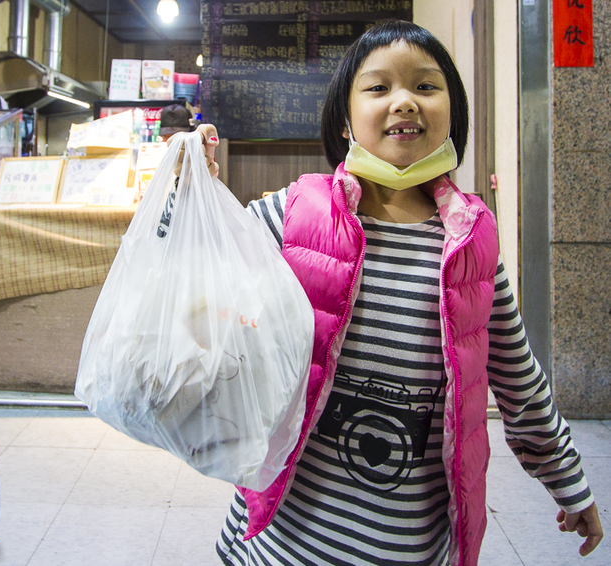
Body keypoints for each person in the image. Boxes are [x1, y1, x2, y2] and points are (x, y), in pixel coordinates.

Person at [177, 20, 601, 566]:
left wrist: (568, 479)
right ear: (345, 117)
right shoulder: (291, 216)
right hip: (278, 543)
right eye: (378, 88)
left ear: (454, 111)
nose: (404, 101)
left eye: (425, 86)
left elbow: (519, 379)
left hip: (407, 546)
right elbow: (193, 266)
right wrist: (190, 194)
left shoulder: (472, 245)